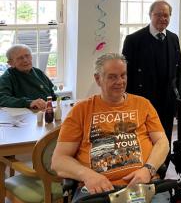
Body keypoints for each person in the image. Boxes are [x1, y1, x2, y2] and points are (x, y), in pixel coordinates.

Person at [51, 53, 170, 201]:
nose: (120, 81)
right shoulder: (81, 110)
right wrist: (87, 175)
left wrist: (148, 169)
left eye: (123, 75)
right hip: (98, 191)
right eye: (112, 77)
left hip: (143, 185)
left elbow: (162, 142)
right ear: (98, 79)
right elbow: (58, 161)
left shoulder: (143, 104)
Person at [122, 0, 181, 147]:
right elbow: (125, 74)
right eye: (158, 15)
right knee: (145, 141)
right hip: (143, 101)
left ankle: (163, 168)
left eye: (166, 15)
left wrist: (177, 96)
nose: (163, 19)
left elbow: (178, 70)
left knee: (165, 139)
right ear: (150, 15)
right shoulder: (133, 40)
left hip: (167, 101)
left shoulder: (173, 38)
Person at [0, 44, 55, 109]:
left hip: (46, 112)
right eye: (20, 58)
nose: (25, 60)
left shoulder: (39, 72)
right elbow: (2, 98)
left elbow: (52, 95)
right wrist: (29, 103)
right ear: (11, 63)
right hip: (22, 116)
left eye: (27, 56)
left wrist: (63, 100)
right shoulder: (7, 77)